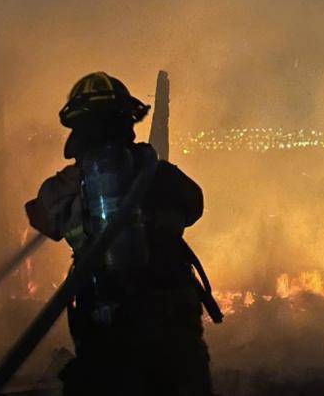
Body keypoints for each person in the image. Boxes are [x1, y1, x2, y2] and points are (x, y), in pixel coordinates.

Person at [25, 72, 213, 395]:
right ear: (128, 122)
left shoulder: (67, 188)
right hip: (172, 343)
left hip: (106, 341)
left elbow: (40, 214)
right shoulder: (159, 174)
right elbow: (194, 205)